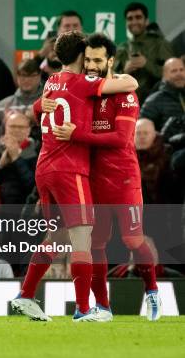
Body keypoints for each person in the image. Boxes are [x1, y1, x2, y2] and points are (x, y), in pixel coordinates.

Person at [11, 30, 138, 322]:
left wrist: (43, 104)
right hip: (70, 170)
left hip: (44, 168)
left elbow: (34, 108)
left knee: (55, 237)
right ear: (82, 56)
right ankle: (82, 309)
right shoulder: (84, 82)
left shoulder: (52, 82)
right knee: (82, 239)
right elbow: (130, 82)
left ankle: (26, 295)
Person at [46, 33, 161, 321]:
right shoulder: (87, 89)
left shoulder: (124, 92)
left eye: (98, 60)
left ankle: (152, 291)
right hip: (92, 180)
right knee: (95, 244)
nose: (92, 65)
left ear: (110, 60)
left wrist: (78, 134)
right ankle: (103, 307)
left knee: (133, 239)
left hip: (123, 179)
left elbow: (122, 138)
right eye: (88, 60)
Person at [114, 2, 173, 101]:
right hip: (127, 103)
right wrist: (125, 71)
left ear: (146, 21)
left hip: (157, 103)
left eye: (138, 17)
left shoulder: (160, 44)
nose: (134, 22)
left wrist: (146, 63)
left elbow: (172, 76)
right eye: (130, 19)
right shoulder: (122, 48)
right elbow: (110, 79)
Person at [0, 112, 38, 205]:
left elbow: (34, 186)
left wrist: (16, 159)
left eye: (21, 127)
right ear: (5, 128)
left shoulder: (38, 152)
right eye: (12, 126)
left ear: (29, 130)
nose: (16, 130)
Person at [0, 59, 43, 147]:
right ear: (17, 77)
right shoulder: (3, 105)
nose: (27, 80)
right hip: (8, 156)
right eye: (23, 75)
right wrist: (5, 124)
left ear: (39, 76)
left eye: (31, 76)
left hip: (40, 156)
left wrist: (35, 122)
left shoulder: (47, 102)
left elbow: (56, 136)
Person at [140, 57, 185, 131]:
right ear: (165, 75)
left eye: (181, 70)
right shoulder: (153, 101)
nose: (179, 74)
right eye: (174, 71)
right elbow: (142, 132)